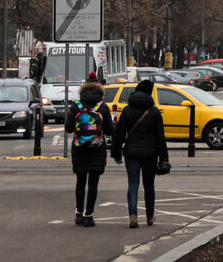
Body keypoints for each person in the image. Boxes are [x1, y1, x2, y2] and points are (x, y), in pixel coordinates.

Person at [111, 80, 169, 228]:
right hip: (151, 153)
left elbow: (119, 134)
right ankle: (150, 217)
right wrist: (164, 159)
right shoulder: (154, 112)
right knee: (149, 185)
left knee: (133, 183)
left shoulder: (127, 110)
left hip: (131, 153)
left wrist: (116, 153)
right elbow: (160, 137)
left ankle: (133, 216)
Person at [65, 79, 115, 227]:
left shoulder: (76, 106)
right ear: (100, 93)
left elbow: (68, 128)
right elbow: (108, 130)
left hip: (79, 149)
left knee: (80, 182)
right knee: (93, 183)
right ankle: (89, 216)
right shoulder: (102, 107)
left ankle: (79, 214)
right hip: (96, 150)